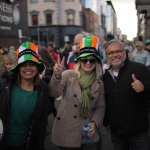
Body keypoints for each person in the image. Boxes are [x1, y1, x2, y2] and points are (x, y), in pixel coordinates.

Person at [49, 35, 105, 150]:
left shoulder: (99, 82)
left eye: (92, 59)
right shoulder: (68, 75)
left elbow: (100, 107)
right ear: (79, 61)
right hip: (67, 130)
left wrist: (94, 123)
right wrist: (57, 76)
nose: (88, 62)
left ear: (96, 62)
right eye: (84, 59)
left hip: (87, 132)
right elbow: (54, 93)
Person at [0, 41, 52, 150]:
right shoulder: (5, 85)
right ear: (18, 68)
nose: (28, 68)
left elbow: (41, 124)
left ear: (37, 68)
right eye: (23, 65)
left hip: (27, 144)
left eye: (32, 64)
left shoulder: (43, 91)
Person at [103, 39, 150, 150]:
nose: (115, 55)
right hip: (116, 133)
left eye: (118, 51)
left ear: (126, 52)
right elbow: (105, 101)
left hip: (138, 133)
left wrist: (144, 87)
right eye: (111, 53)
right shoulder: (105, 77)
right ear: (107, 56)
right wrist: (107, 122)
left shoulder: (140, 69)